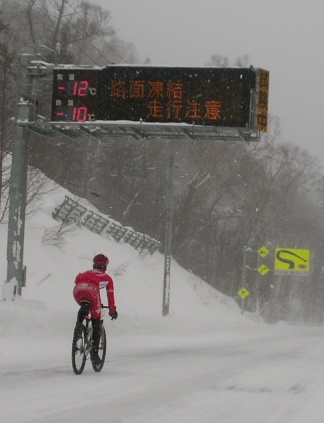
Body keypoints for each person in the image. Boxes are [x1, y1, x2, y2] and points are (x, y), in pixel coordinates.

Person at [73, 253, 118, 364]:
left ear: (94, 265)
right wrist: (112, 311)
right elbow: (110, 295)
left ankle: (78, 330)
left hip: (77, 290)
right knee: (96, 320)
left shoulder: (87, 273)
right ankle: (94, 353)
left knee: (84, 306)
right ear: (105, 266)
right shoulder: (107, 278)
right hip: (92, 292)